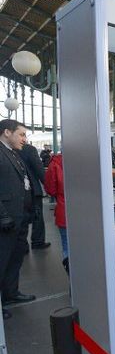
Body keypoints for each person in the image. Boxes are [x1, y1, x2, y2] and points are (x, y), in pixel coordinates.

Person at [0, 120, 37, 319]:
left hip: (20, 217)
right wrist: (3, 215)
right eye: (21, 134)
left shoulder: (13, 152)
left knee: (15, 258)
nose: (24, 139)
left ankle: (11, 293)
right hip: (7, 220)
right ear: (7, 132)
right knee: (3, 260)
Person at [17, 142, 50, 250]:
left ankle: (23, 245)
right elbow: (40, 170)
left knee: (21, 218)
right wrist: (49, 187)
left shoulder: (6, 150)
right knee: (37, 216)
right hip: (32, 189)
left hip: (16, 192)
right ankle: (38, 242)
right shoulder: (29, 149)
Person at [44, 153, 69, 274]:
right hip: (87, 214)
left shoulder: (55, 163)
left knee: (67, 246)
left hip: (64, 211)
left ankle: (73, 284)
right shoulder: (89, 160)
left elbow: (50, 189)